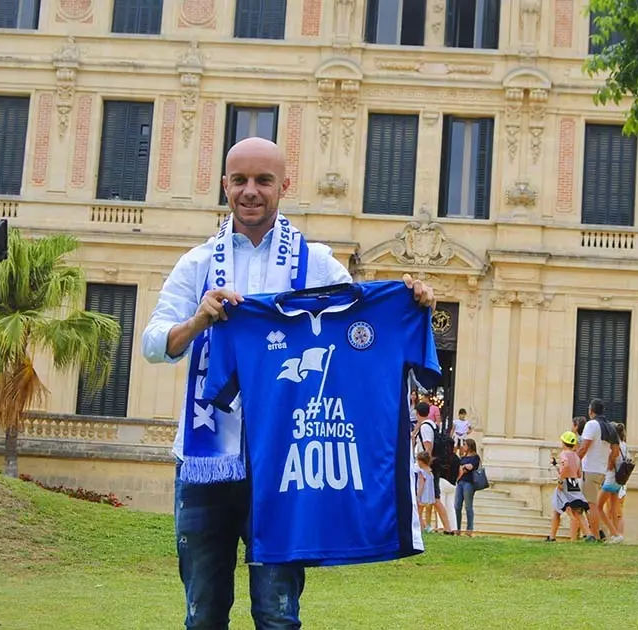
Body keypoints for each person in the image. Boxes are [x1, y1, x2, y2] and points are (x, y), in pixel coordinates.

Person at [142, 137, 435, 630]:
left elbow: (358, 318)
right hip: (206, 459)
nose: (250, 191)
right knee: (202, 613)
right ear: (225, 185)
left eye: (263, 181)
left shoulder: (314, 262)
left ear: (284, 186)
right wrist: (197, 322)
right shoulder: (197, 264)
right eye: (240, 180)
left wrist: (411, 300)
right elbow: (153, 342)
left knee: (278, 613)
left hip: (284, 465)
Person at [546, 431, 597, 542]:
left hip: (564, 483)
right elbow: (578, 473)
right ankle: (589, 535)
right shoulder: (576, 456)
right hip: (574, 483)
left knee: (557, 509)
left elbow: (566, 465)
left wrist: (560, 479)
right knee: (577, 511)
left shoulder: (564, 454)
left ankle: (552, 537)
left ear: (563, 442)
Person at [576, 399, 615, 539]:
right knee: (591, 503)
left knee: (591, 505)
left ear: (591, 411)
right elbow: (615, 450)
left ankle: (595, 535)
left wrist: (574, 462)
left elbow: (584, 448)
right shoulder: (610, 426)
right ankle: (591, 533)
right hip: (601, 471)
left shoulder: (591, 425)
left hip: (590, 469)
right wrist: (608, 464)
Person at [414, 401, 455, 534]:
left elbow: (428, 446)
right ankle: (440, 527)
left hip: (426, 465)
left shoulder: (425, 427)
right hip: (430, 465)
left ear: (417, 413)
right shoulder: (432, 425)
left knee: (426, 497)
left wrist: (426, 465)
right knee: (432, 498)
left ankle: (424, 526)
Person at [598, 422, 629, 544]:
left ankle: (614, 533)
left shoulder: (614, 445)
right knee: (615, 509)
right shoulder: (624, 445)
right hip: (619, 480)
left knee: (598, 507)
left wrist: (608, 464)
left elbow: (612, 460)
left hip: (610, 479)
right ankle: (616, 535)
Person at [454, 438, 480, 536]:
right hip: (460, 482)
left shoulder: (475, 457)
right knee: (457, 506)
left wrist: (464, 467)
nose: (463, 446)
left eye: (465, 445)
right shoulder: (463, 457)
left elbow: (471, 467)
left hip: (469, 482)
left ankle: (469, 528)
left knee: (468, 506)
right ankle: (457, 528)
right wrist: (464, 467)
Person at [415, 450, 436, 534]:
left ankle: (420, 528)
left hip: (423, 495)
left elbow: (421, 485)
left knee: (419, 513)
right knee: (428, 512)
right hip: (429, 496)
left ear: (421, 461)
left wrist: (418, 496)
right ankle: (428, 526)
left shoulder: (421, 472)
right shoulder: (430, 472)